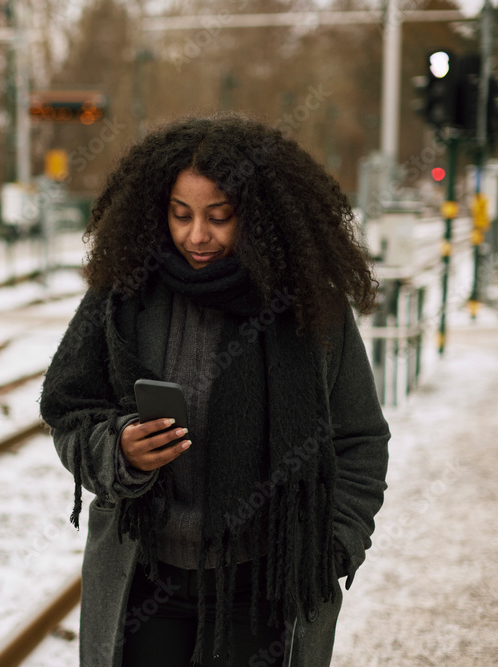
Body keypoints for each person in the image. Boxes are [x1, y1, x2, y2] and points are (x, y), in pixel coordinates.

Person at [39, 114, 390, 667]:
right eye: (181, 215)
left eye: (219, 217)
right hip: (145, 584)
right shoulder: (123, 292)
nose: (196, 235)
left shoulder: (310, 307)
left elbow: (360, 440)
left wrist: (334, 548)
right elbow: (69, 410)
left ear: (259, 218)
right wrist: (121, 449)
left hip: (266, 593)